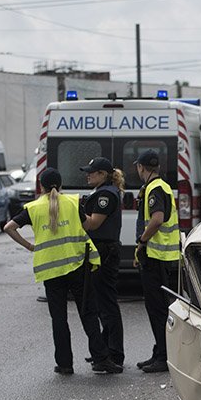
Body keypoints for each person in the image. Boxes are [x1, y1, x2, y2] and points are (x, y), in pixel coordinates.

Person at [3, 168, 122, 375]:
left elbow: (8, 227)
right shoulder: (73, 203)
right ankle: (101, 359)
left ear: (41, 186)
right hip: (77, 266)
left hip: (50, 270)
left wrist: (30, 246)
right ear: (61, 184)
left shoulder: (32, 208)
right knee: (88, 313)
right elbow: (87, 226)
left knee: (59, 318)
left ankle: (65, 364)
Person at [132, 151, 180, 373]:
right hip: (162, 257)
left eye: (138, 167)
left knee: (157, 309)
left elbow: (157, 219)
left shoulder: (155, 188)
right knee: (158, 309)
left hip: (157, 258)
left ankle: (163, 356)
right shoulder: (161, 186)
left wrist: (142, 240)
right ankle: (159, 352)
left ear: (142, 167)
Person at [80, 156, 125, 367]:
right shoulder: (101, 192)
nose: (88, 175)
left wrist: (76, 210)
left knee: (107, 304)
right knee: (101, 303)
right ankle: (106, 348)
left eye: (92, 172)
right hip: (102, 251)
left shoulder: (105, 195)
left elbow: (93, 224)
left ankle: (114, 353)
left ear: (103, 174)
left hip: (104, 252)